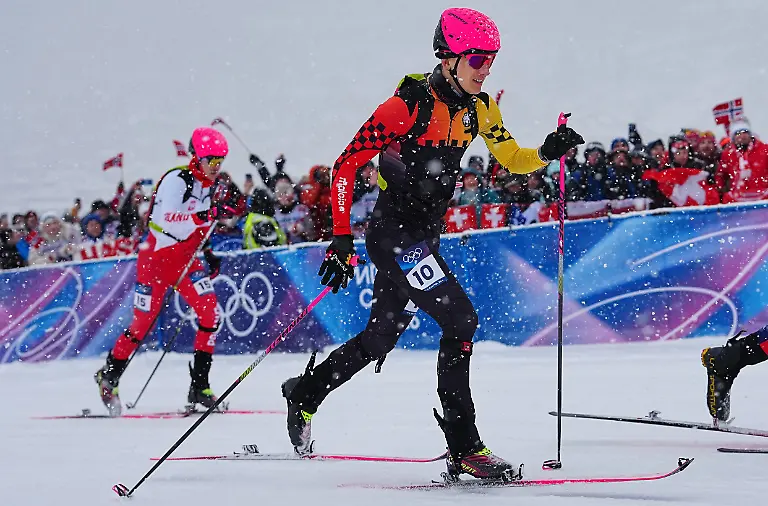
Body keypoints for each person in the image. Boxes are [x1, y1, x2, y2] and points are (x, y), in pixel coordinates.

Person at [280, 7, 584, 482]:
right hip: (392, 235)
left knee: (381, 336)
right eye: (478, 58)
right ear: (448, 58)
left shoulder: (480, 108)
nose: (487, 68)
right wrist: (340, 238)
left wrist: (547, 151)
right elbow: (344, 166)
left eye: (492, 59)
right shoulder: (406, 105)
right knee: (461, 318)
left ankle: (305, 393)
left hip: (421, 236)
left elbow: (512, 157)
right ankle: (465, 448)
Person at [94, 126, 229, 417]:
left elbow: (198, 228)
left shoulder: (209, 185)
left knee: (211, 314)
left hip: (186, 261)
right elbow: (170, 220)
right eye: (212, 161)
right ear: (197, 157)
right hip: (156, 261)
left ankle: (200, 385)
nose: (216, 168)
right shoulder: (176, 180)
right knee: (142, 325)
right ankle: (109, 375)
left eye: (221, 162)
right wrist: (205, 215)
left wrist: (208, 252)